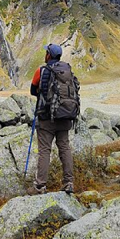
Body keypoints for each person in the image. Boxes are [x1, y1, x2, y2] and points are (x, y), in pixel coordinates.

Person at [28, 43, 80, 195]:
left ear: (49, 55)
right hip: (65, 116)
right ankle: (69, 182)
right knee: (64, 147)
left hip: (46, 118)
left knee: (45, 150)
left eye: (46, 52)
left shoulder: (41, 70)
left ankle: (39, 186)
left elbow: (33, 90)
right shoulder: (67, 70)